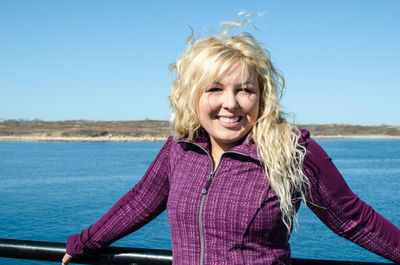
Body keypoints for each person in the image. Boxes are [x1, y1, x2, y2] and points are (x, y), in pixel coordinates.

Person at [62, 16, 400, 265]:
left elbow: (353, 218)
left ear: (261, 96)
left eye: (245, 90)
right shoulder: (179, 148)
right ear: (192, 96)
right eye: (215, 89)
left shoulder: (291, 150)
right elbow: (140, 202)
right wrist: (83, 244)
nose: (231, 103)